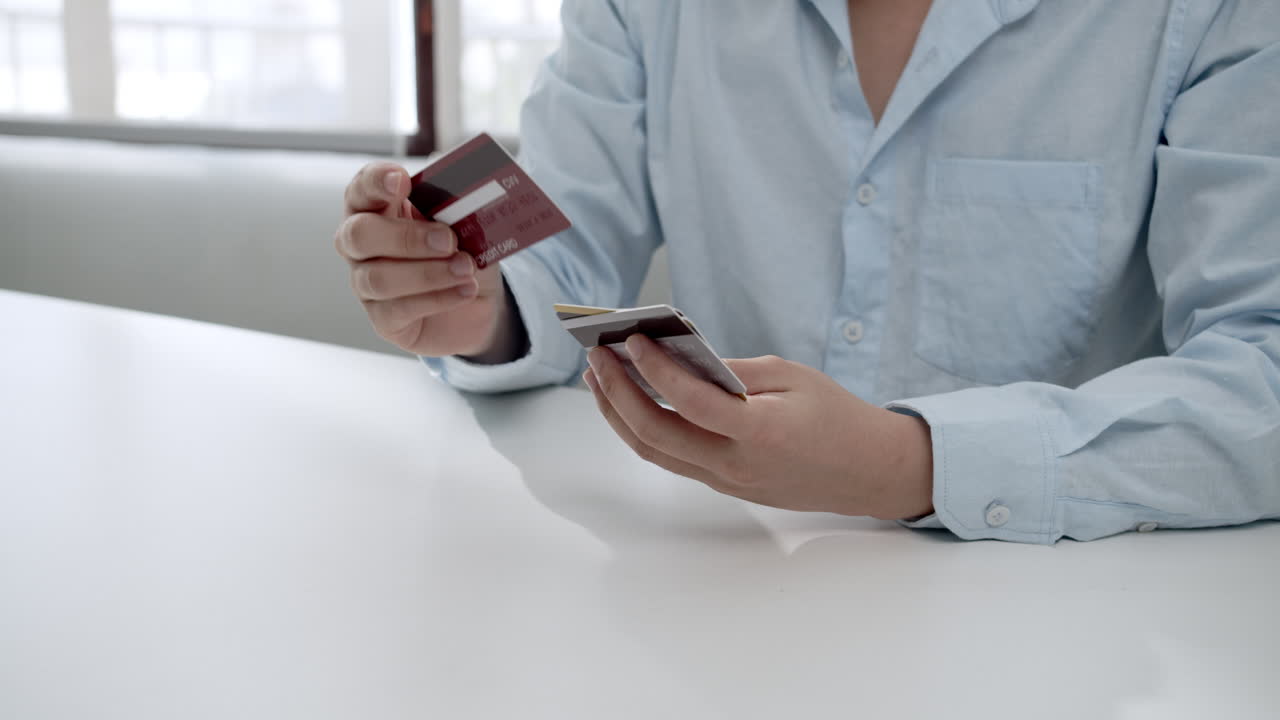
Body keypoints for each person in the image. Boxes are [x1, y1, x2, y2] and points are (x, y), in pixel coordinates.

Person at [334, 0, 1279, 543]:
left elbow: (1263, 368)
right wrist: (476, 305)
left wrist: (911, 465)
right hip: (729, 585)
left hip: (1074, 610)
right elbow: (567, 251)